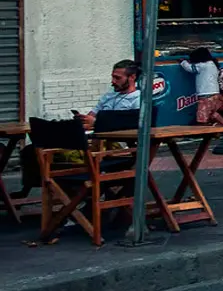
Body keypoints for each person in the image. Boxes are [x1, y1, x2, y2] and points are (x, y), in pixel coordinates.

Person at [15, 60, 142, 198]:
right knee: (32, 150)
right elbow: (90, 118)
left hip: (112, 146)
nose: (113, 81)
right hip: (91, 141)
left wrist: (98, 123)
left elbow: (130, 124)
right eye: (112, 76)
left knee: (64, 157)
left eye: (117, 78)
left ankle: (77, 198)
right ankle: (59, 194)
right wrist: (83, 121)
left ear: (132, 77)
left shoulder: (138, 99)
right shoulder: (109, 96)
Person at [181, 48, 223, 125]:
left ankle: (204, 132)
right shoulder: (212, 64)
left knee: (202, 116)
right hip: (215, 93)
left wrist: (183, 62)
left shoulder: (203, 65)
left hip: (206, 93)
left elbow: (190, 68)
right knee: (212, 113)